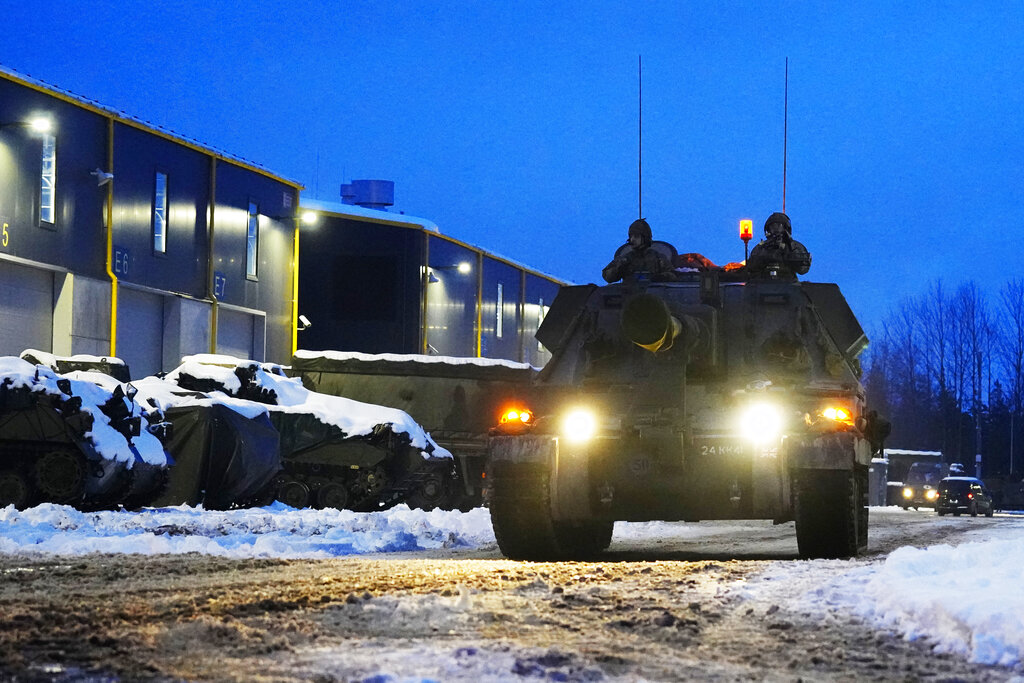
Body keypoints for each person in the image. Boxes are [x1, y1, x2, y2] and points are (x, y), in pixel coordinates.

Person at [602, 218, 676, 283]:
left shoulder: (657, 258)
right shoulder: (625, 259)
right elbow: (607, 276)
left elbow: (673, 275)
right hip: (629, 292)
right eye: (631, 236)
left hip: (652, 293)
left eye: (636, 236)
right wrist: (619, 268)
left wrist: (660, 277)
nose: (632, 239)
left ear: (645, 238)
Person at [745, 212, 811, 280]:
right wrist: (766, 253)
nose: (776, 228)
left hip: (788, 283)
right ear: (768, 229)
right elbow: (751, 269)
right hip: (765, 284)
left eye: (779, 225)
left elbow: (803, 269)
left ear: (785, 228)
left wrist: (787, 249)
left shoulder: (793, 246)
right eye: (772, 226)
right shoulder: (761, 247)